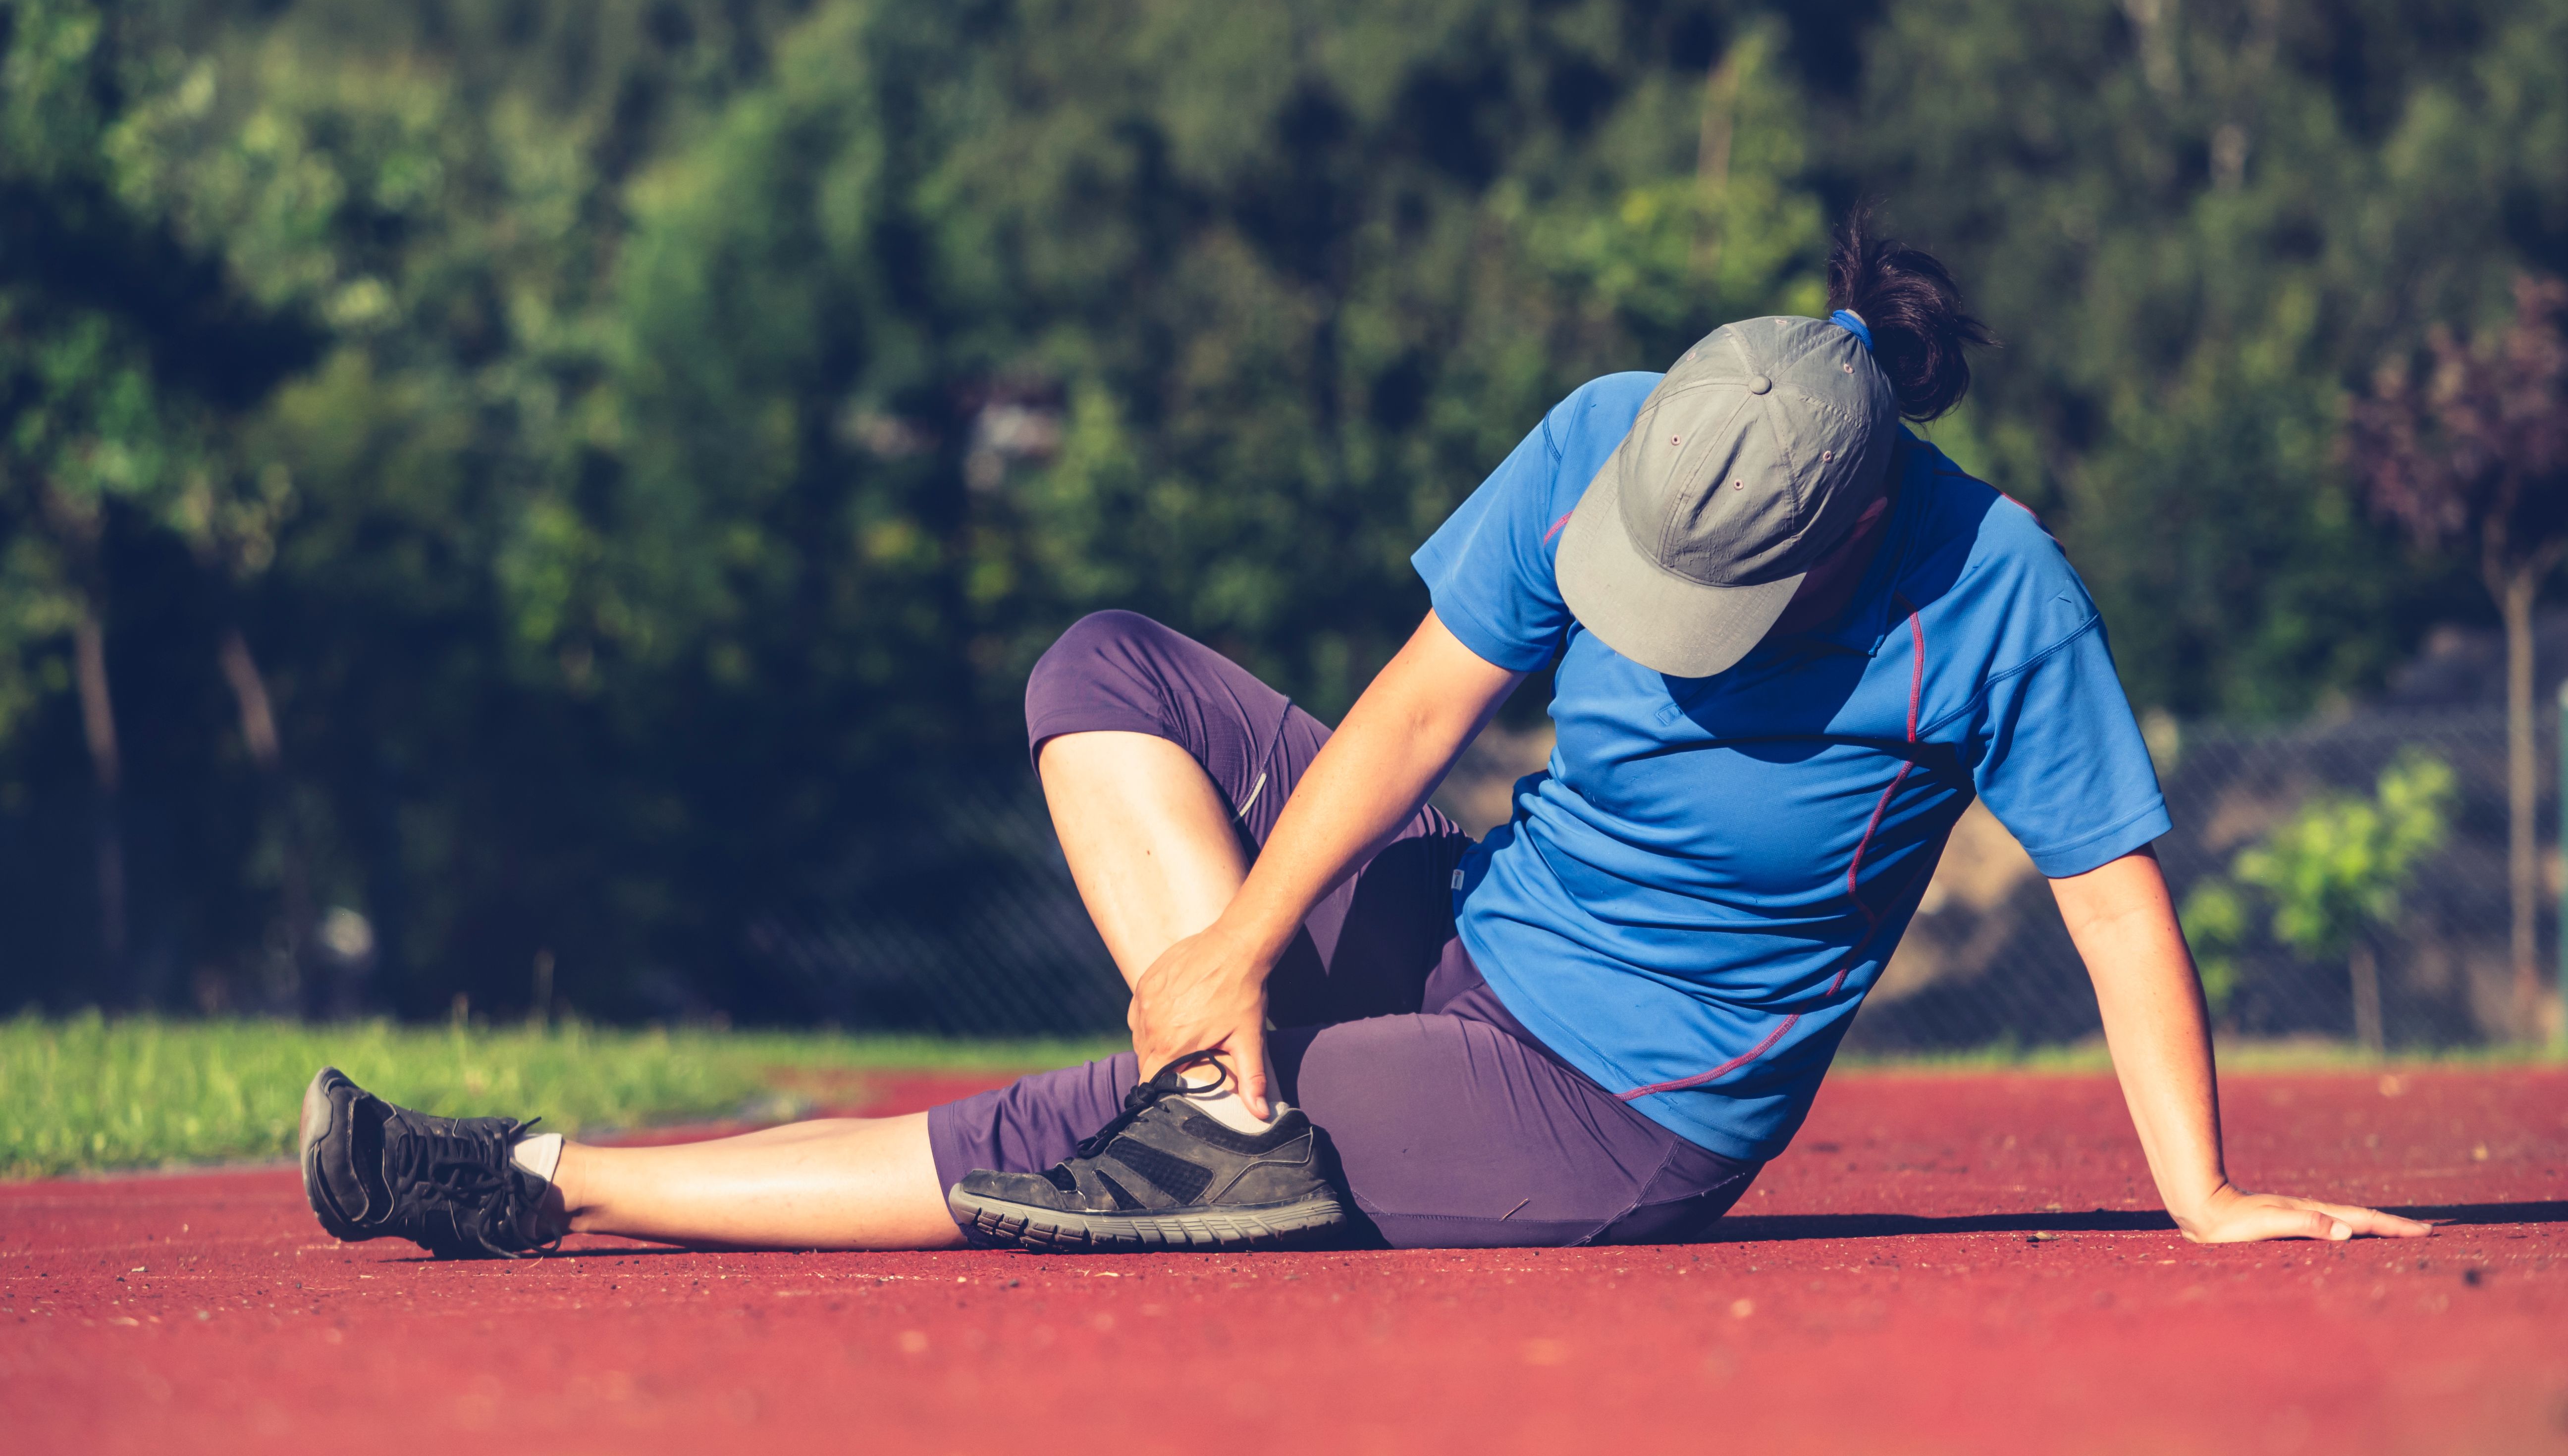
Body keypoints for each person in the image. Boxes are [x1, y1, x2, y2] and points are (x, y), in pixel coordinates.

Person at [299, 216, 2427, 1258]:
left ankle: (528, 1178)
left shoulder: (1995, 592)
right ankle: (1224, 1108)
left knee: (1070, 1122)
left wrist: (2211, 1195)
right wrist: (1236, 952)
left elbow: (2121, 908)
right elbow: (1423, 705)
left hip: (1624, 1110)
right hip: (1480, 926)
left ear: (1859, 521)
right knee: (1103, 668)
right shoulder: (1613, 435)